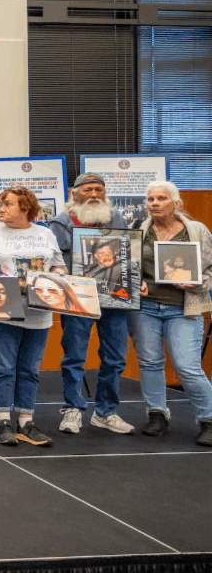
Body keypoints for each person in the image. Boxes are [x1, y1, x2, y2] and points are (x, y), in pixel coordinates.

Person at [0, 186, 66, 447]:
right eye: (0, 204)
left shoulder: (46, 234)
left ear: (25, 207)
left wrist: (59, 274)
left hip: (39, 313)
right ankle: (4, 422)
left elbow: (59, 266)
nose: (1, 209)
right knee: (3, 367)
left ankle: (26, 422)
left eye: (7, 204)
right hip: (3, 312)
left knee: (30, 370)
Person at [46, 172, 135, 435]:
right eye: (88, 190)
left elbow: (128, 255)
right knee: (74, 356)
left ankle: (106, 412)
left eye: (99, 189)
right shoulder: (59, 223)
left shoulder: (117, 219)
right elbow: (52, 260)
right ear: (74, 193)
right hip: (77, 298)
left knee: (115, 358)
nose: (94, 194)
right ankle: (73, 409)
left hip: (115, 297)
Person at [131, 181, 212, 445]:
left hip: (183, 309)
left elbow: (210, 269)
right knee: (150, 363)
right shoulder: (137, 229)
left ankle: (209, 419)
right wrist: (135, 282)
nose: (155, 203)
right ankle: (157, 414)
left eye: (161, 198)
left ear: (176, 203)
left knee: (187, 367)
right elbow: (126, 267)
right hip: (145, 308)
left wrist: (200, 282)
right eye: (151, 199)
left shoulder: (197, 230)